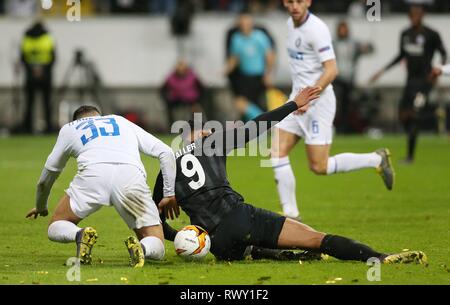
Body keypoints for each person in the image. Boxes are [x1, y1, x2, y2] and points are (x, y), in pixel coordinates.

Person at [152, 86, 426, 264]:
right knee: (317, 238)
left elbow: (153, 219)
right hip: (239, 218)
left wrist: (178, 235)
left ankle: (280, 255)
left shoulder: (166, 168)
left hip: (216, 244)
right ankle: (379, 257)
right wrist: (293, 104)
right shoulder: (210, 141)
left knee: (250, 250)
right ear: (199, 132)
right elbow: (256, 127)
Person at [270, 0, 394, 221]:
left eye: (299, 1)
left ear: (308, 1)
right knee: (277, 151)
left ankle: (375, 159)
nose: (294, 6)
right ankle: (291, 215)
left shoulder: (317, 29)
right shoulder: (290, 24)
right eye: (289, 1)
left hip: (318, 103)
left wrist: (309, 98)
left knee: (319, 166)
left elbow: (332, 69)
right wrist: (298, 99)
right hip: (297, 100)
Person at [25, 106, 177, 268]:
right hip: (130, 178)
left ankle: (79, 235)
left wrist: (41, 206)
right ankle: (142, 248)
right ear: (100, 117)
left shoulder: (70, 128)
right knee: (156, 242)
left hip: (93, 176)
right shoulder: (120, 121)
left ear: (76, 120)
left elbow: (49, 173)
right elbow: (166, 152)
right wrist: (169, 194)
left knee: (56, 224)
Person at [370, 4, 447, 163]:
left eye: (418, 14)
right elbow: (401, 55)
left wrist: (439, 71)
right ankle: (435, 116)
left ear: (423, 15)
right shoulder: (405, 34)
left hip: (425, 82)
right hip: (410, 82)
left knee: (414, 115)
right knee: (403, 115)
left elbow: (443, 52)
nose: (415, 17)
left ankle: (410, 157)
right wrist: (382, 71)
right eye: (412, 14)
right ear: (409, 16)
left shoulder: (431, 34)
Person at [225, 12, 276, 121]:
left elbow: (269, 55)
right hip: (244, 77)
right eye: (242, 23)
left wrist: (268, 74)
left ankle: (265, 122)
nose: (245, 25)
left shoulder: (260, 37)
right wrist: (226, 70)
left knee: (243, 103)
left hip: (258, 76)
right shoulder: (236, 38)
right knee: (240, 104)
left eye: (247, 22)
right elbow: (234, 58)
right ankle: (263, 123)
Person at [333, 20, 374, 133]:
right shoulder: (333, 43)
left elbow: (370, 49)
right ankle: (336, 126)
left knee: (348, 105)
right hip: (337, 78)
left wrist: (367, 47)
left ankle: (346, 127)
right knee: (337, 104)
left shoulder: (353, 44)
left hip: (349, 79)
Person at [20, 21, 56, 134]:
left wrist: (32, 70)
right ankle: (48, 128)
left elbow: (23, 57)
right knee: (47, 103)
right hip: (45, 75)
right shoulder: (47, 38)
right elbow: (53, 57)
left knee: (29, 103)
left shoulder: (26, 38)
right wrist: (43, 70)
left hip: (30, 75)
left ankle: (28, 128)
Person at [160, 59, 205, 128]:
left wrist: (198, 101)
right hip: (176, 99)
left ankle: (195, 127)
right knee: (169, 109)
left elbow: (201, 89)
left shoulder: (192, 76)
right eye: (179, 67)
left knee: (195, 110)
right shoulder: (171, 77)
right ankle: (171, 128)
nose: (181, 69)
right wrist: (166, 99)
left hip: (191, 100)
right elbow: (162, 89)